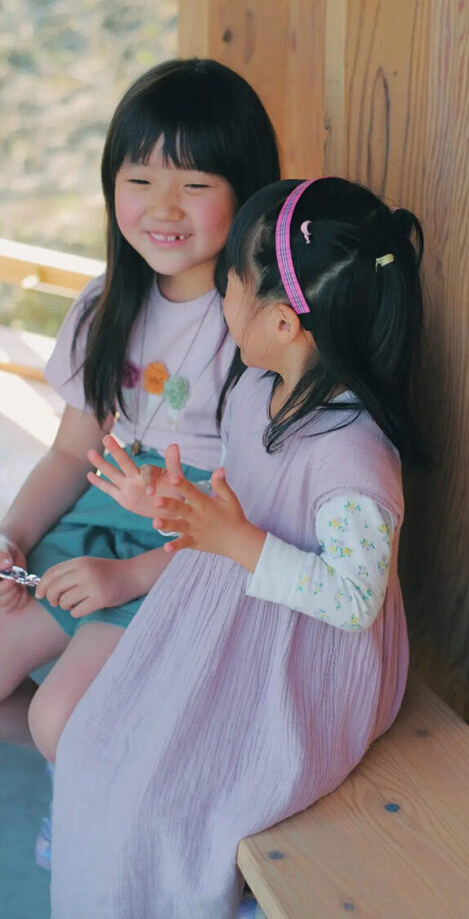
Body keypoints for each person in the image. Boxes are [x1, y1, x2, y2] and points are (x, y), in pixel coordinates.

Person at [49, 176, 425, 919]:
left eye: (231, 286)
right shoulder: (257, 389)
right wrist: (169, 504)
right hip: (225, 605)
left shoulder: (355, 455)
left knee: (169, 797)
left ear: (285, 323)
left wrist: (236, 541)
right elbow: (237, 506)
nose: (220, 300)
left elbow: (353, 602)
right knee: (94, 742)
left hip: (304, 659)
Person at [0, 58, 280, 841]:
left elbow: (251, 512)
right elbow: (69, 454)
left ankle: (97, 803)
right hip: (102, 518)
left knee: (64, 715)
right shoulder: (105, 303)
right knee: (59, 724)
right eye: (139, 179)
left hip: (197, 550)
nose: (163, 208)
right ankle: (93, 770)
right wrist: (13, 537)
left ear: (246, 189)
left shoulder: (257, 327)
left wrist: (128, 574)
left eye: (193, 184)